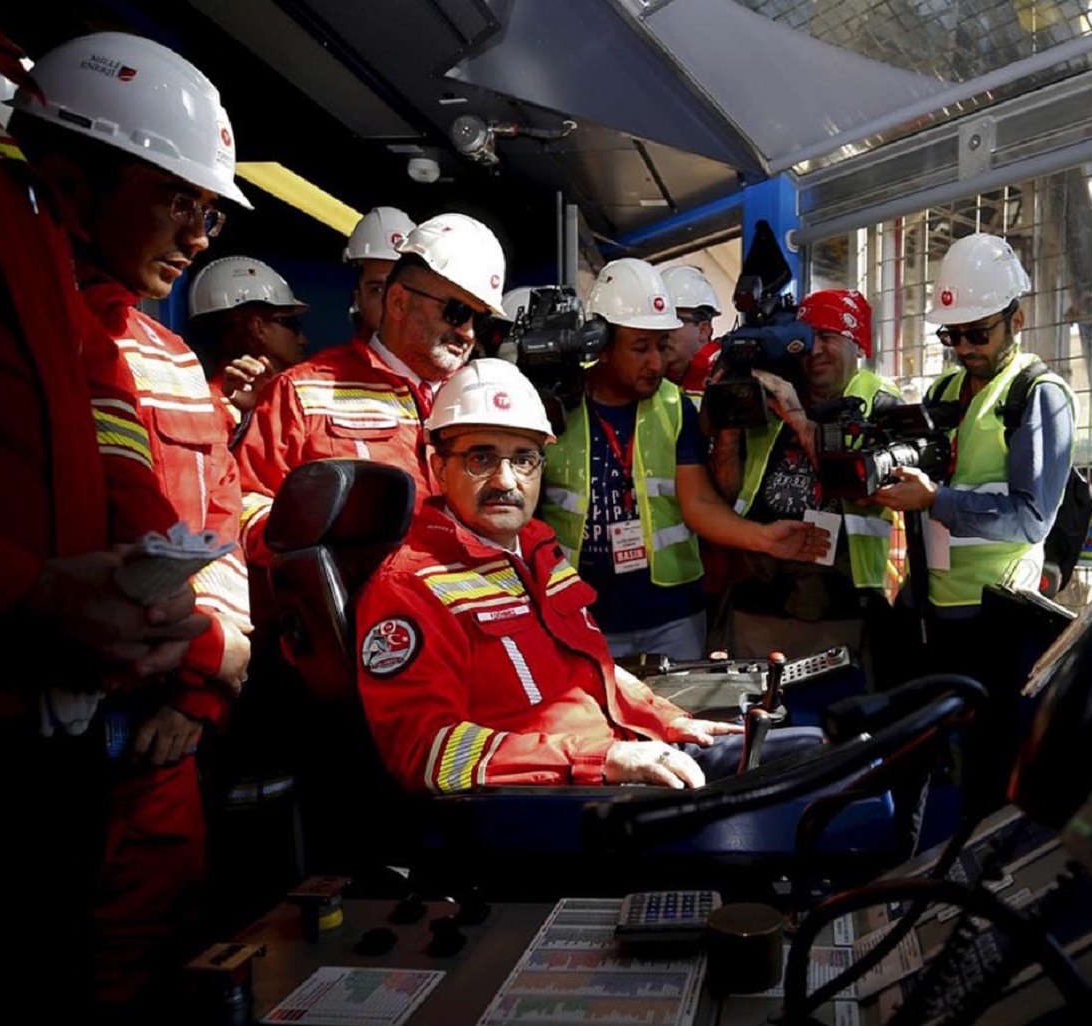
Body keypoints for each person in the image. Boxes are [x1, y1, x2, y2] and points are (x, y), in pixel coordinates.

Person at [0, 26, 253, 1016]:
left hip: (161, 741)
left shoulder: (174, 358)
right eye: (175, 200)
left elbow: (222, 527)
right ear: (68, 182)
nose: (196, 235)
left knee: (159, 968)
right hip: (29, 718)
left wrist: (202, 687)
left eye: (207, 213)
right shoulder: (21, 341)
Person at [357, 359, 825, 792]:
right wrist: (601, 758)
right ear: (438, 466)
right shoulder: (409, 588)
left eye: (523, 458)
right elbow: (425, 752)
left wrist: (667, 719)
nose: (505, 480)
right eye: (481, 457)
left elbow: (593, 669)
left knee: (821, 749)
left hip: (615, 759)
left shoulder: (539, 550)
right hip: (552, 804)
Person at [540, 258, 829, 661]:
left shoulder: (675, 406)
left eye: (661, 346)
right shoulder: (554, 406)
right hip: (581, 617)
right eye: (640, 348)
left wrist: (762, 537)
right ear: (602, 344)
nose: (657, 363)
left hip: (673, 619)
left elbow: (698, 502)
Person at [236, 212, 507, 567]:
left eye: (480, 318)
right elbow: (244, 504)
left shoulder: (487, 397)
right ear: (398, 302)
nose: (469, 332)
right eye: (456, 312)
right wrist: (321, 543)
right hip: (359, 614)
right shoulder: (303, 392)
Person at [873, 233, 1076, 640]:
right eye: (952, 335)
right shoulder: (943, 390)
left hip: (995, 610)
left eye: (978, 333)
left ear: (1015, 321)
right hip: (927, 600)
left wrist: (935, 499)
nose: (964, 348)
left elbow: (1030, 520)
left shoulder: (1038, 395)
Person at [709, 289, 902, 663]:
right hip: (757, 597)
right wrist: (730, 420)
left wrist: (797, 416)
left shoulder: (881, 403)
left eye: (828, 337)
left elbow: (861, 488)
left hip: (841, 603)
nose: (814, 350)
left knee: (830, 714)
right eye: (807, 340)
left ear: (857, 342)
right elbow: (729, 491)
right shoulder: (774, 391)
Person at [187, 255, 310, 437]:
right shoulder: (213, 407)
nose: (303, 340)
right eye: (292, 324)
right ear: (257, 327)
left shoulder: (285, 396)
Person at [344, 205, 416, 346]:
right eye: (378, 290)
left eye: (404, 290)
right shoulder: (323, 368)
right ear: (358, 298)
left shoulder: (457, 366)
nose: (391, 303)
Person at [660, 264, 722, 402]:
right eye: (659, 323)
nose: (662, 332)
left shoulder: (726, 375)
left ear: (703, 330)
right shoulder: (656, 377)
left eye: (674, 321)